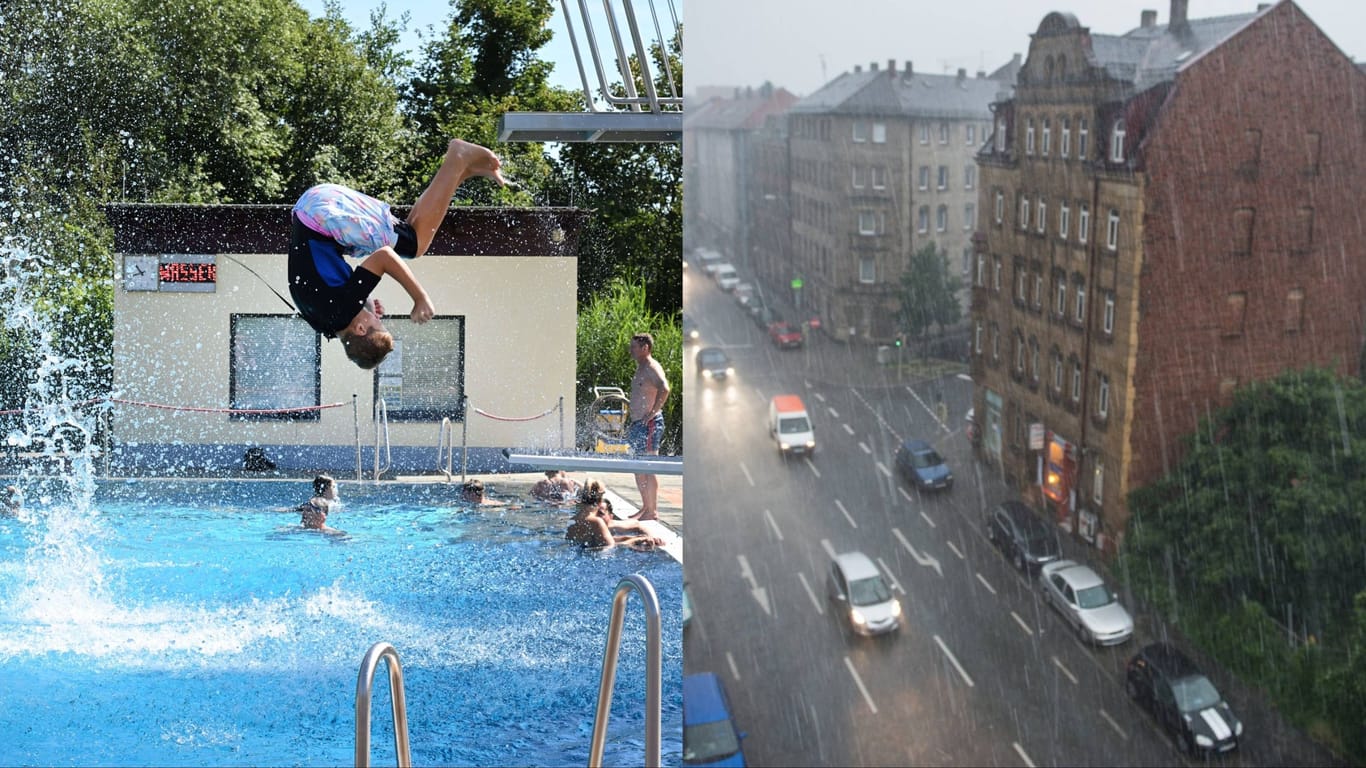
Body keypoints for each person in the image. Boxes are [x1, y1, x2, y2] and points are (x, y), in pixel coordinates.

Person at [288, 139, 506, 369]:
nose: (378, 318)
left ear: (361, 329)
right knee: (408, 237)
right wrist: (368, 306)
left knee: (415, 245)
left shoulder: (344, 310)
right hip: (312, 211)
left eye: (378, 323)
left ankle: (458, 158)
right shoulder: (328, 323)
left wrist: (419, 298)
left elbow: (384, 257)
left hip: (324, 214)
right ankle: (462, 171)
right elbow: (329, 284)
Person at [627, 332, 671, 520]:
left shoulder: (652, 367)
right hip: (638, 424)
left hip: (650, 424)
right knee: (638, 467)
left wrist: (653, 412)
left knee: (649, 466)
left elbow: (665, 388)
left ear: (645, 348)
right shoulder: (641, 367)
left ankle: (652, 511)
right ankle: (646, 507)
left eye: (634, 347)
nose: (631, 350)